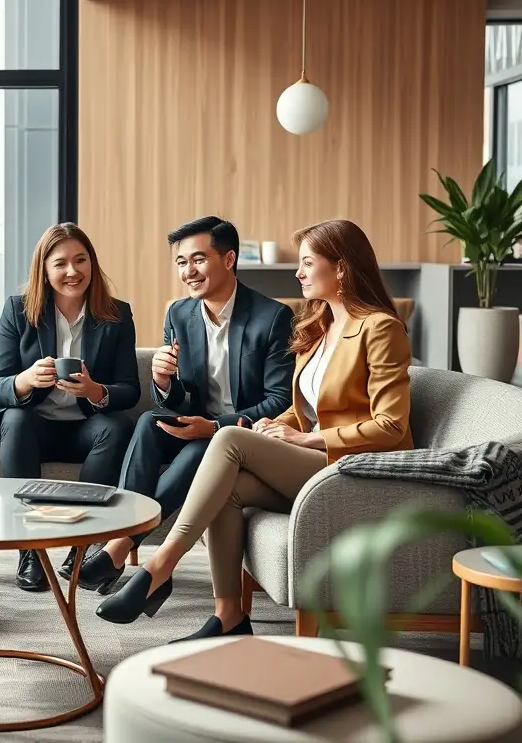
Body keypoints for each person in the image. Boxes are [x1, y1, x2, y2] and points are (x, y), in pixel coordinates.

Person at [96, 219, 414, 640]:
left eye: (306, 263)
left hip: (353, 470)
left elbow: (391, 426)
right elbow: (305, 409)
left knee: (226, 437)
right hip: (315, 459)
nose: (298, 273)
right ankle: (229, 616)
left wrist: (304, 437)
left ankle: (159, 564)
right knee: (226, 489)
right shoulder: (318, 327)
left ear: (341, 268)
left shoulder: (379, 328)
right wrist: (275, 425)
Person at [77, 216, 295, 594]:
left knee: (199, 449)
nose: (188, 271)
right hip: (200, 422)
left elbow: (279, 401)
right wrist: (164, 383)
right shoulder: (180, 314)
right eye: (181, 262)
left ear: (228, 260)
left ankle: (121, 546)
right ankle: (124, 538)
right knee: (149, 421)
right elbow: (182, 397)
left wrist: (215, 427)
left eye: (198, 259)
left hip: (244, 436)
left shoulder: (273, 317)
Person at [0, 222, 140, 592]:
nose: (73, 271)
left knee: (116, 427)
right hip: (35, 426)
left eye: (80, 260)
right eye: (61, 263)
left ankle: (82, 547)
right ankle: (30, 550)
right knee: (16, 419)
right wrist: (25, 380)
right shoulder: (19, 311)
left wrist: (95, 390)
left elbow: (129, 390)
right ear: (45, 269)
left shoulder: (116, 314)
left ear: (92, 264)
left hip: (85, 429)